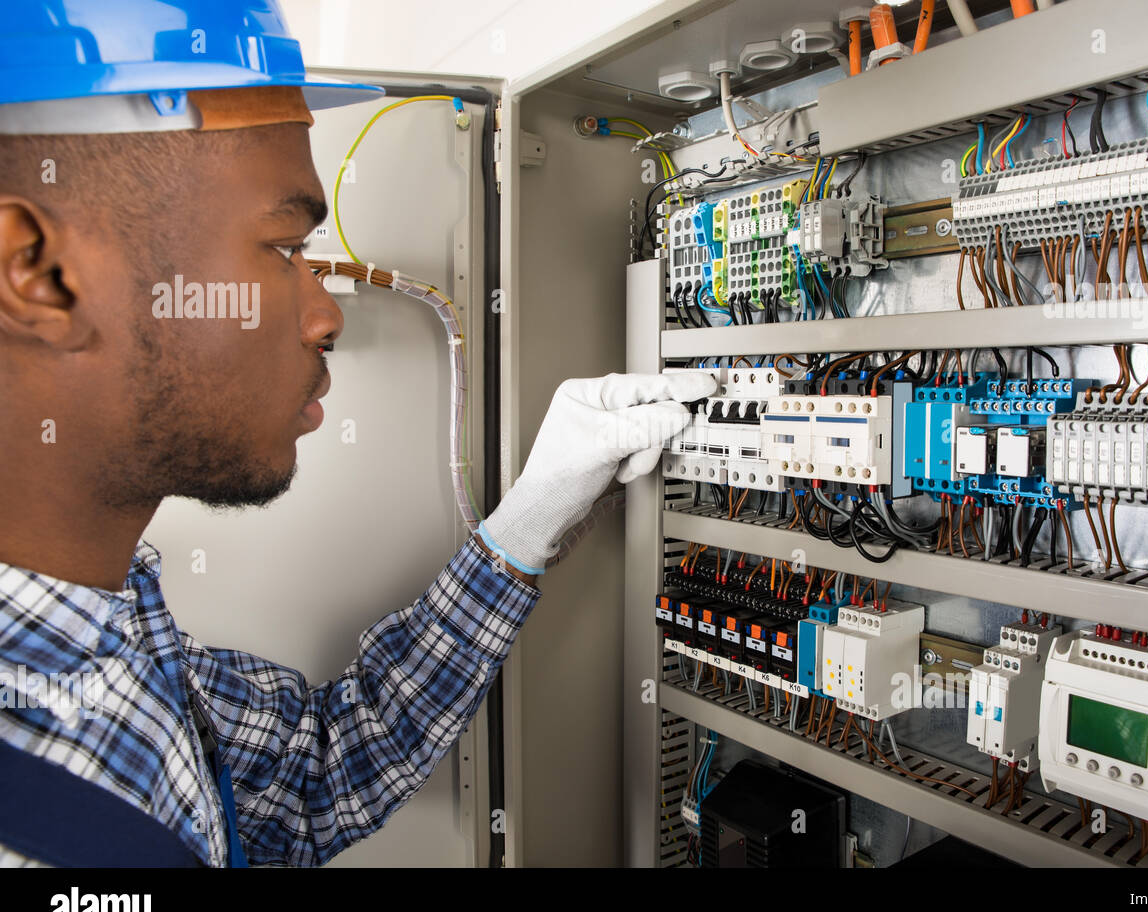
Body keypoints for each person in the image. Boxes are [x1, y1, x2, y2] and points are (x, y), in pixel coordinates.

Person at [0, 0, 713, 867]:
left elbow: (323, 767)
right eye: (281, 247)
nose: (325, 313)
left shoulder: (105, 627)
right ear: (38, 273)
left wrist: (522, 527)